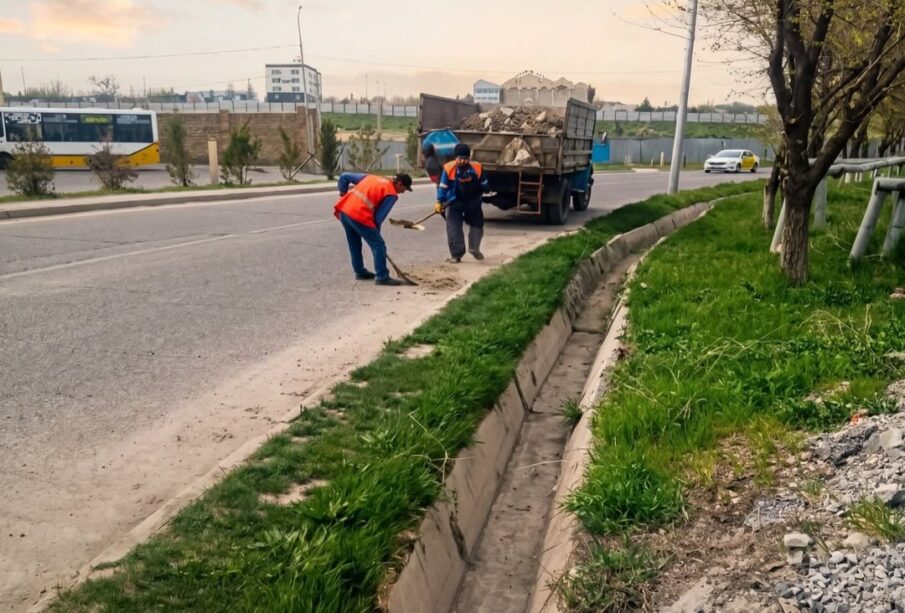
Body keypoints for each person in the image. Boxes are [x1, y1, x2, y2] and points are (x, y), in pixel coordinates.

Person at [333, 172, 413, 286]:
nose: (403, 192)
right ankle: (382, 277)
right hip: (359, 215)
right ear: (399, 184)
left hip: (344, 211)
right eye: (404, 189)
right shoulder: (391, 194)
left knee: (354, 243)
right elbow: (378, 218)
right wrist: (376, 233)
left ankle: (360, 272)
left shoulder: (371, 177)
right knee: (379, 245)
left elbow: (344, 176)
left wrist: (343, 194)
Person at [436, 143, 489, 263]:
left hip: (473, 202)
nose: (462, 161)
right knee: (453, 227)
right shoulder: (449, 168)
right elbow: (443, 186)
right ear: (455, 157)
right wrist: (439, 201)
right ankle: (456, 255)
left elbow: (484, 183)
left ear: (469, 158)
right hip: (453, 203)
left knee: (477, 225)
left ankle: (474, 248)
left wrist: (485, 188)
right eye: (460, 158)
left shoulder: (477, 167)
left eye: (465, 158)